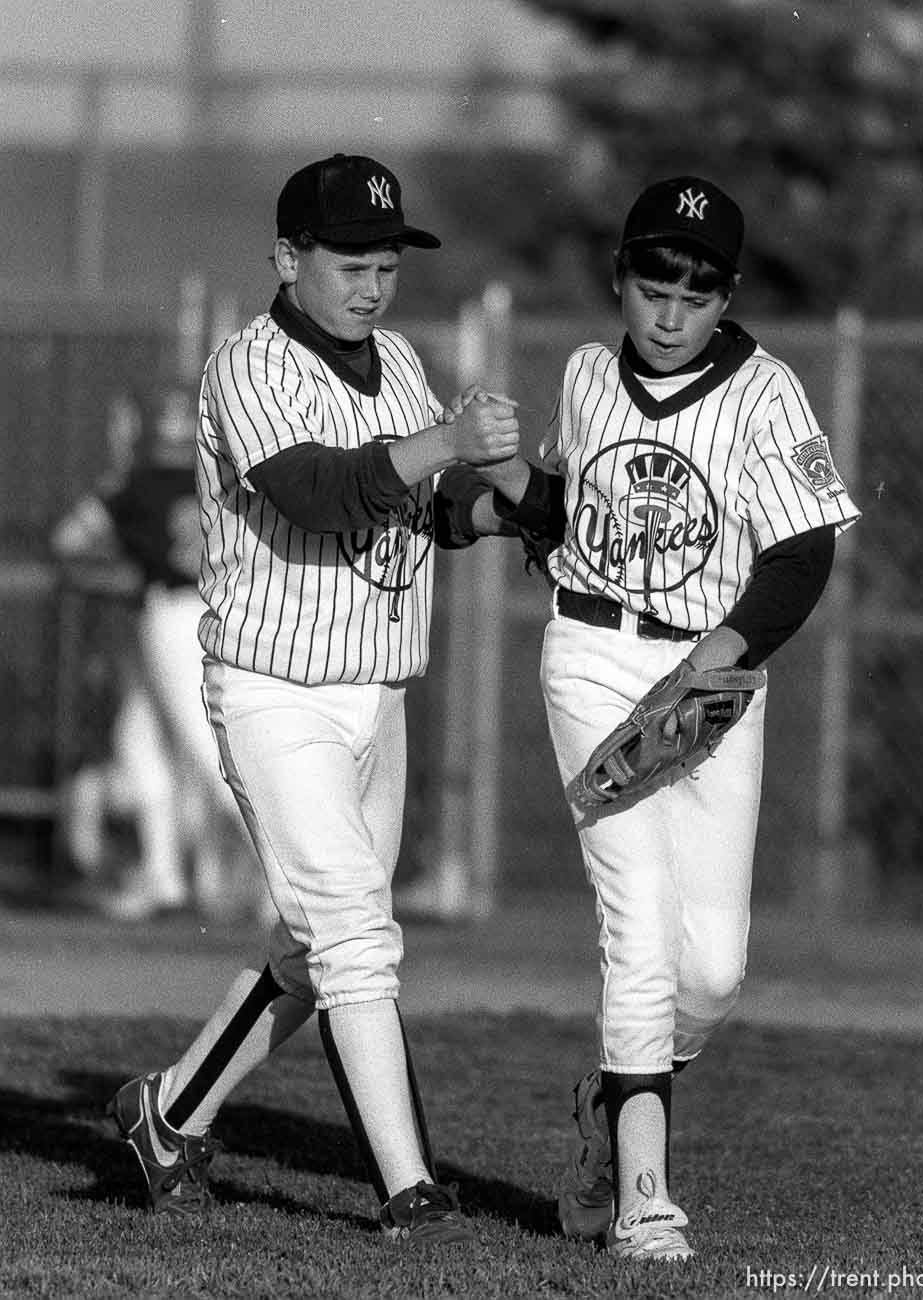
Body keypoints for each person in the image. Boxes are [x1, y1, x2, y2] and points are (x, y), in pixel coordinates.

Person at [106, 153, 520, 1246]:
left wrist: (513, 507)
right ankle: (411, 1192)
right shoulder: (247, 366)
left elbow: (429, 506)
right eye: (350, 262)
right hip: (274, 688)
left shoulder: (396, 358)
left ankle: (170, 1110)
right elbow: (324, 491)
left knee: (321, 938)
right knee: (353, 934)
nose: (373, 285)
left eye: (386, 263)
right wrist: (443, 444)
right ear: (289, 258)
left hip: (376, 691)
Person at [452, 176, 861, 1263]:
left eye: (698, 289)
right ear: (620, 279)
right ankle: (645, 1195)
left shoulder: (765, 391)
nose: (672, 311)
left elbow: (801, 552)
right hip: (590, 656)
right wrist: (495, 483)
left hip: (713, 675)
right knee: (636, 921)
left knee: (713, 971)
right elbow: (563, 516)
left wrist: (711, 664)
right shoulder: (589, 374)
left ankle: (613, 1105)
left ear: (726, 295)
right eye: (653, 283)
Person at [53, 386, 271, 923]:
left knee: (208, 751)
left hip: (170, 618)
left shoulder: (134, 484)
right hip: (221, 612)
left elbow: (68, 544)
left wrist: (120, 573)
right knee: (139, 740)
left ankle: (288, 878)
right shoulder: (223, 481)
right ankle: (163, 878)